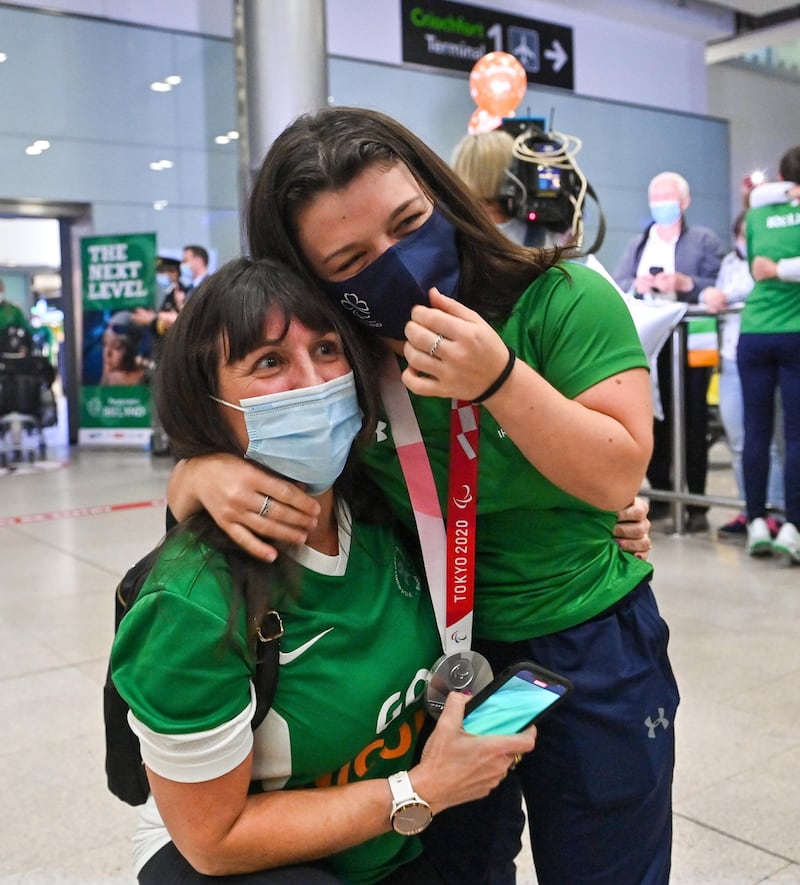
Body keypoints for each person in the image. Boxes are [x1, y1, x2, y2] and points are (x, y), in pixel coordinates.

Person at [169, 107, 676, 885]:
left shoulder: (562, 297)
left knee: (606, 862)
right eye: (351, 258)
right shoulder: (345, 363)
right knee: (459, 867)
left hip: (588, 642)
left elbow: (615, 473)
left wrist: (500, 379)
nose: (397, 263)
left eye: (410, 222)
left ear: (443, 194)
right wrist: (194, 474)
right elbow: (257, 439)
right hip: (445, 665)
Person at [112, 256, 535, 884]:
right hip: (249, 860)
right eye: (268, 362)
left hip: (386, 840)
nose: (312, 383)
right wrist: (418, 789)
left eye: (329, 348)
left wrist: (603, 520)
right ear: (205, 401)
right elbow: (213, 841)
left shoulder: (381, 509)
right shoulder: (194, 602)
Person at [614, 171, 724, 533]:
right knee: (653, 418)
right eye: (655, 198)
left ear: (684, 202)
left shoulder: (703, 240)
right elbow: (620, 282)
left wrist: (685, 284)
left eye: (668, 198)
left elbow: (720, 285)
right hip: (651, 344)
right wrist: (640, 285)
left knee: (693, 420)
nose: (661, 205)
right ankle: (660, 494)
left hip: (692, 342)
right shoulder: (638, 244)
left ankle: (696, 502)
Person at [700, 212, 785, 539]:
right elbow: (717, 293)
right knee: (739, 439)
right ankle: (749, 509)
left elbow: (752, 291)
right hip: (732, 357)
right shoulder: (729, 264)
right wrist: (711, 296)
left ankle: (775, 510)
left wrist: (727, 297)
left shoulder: (774, 261)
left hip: (766, 353)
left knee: (773, 440)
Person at [738, 145, 800, 561]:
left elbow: (753, 265)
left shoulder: (756, 215)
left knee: (756, 432)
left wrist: (774, 269)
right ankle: (793, 526)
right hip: (795, 334)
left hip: (754, 332)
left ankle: (756, 518)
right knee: (795, 435)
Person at [130, 256, 188, 455]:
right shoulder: (169, 294)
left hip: (173, 357)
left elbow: (178, 323)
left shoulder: (182, 293)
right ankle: (163, 442)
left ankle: (169, 443)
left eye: (163, 272)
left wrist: (154, 319)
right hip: (161, 356)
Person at [100, 310, 149, 386]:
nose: (108, 354)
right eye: (105, 344)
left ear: (132, 350)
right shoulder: (109, 374)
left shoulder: (145, 378)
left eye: (116, 346)